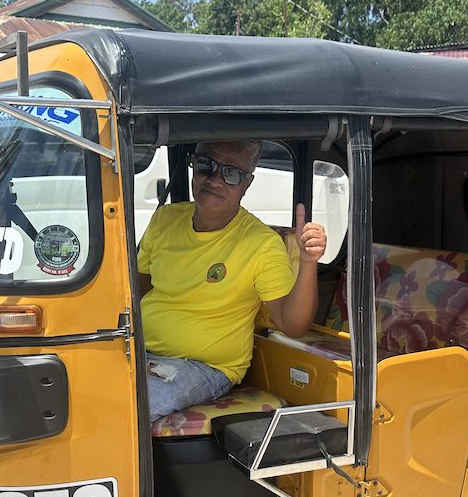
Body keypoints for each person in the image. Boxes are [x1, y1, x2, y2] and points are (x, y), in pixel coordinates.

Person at [137, 140, 326, 422]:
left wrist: (308, 262)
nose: (214, 180)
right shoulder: (165, 219)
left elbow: (293, 324)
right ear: (193, 165)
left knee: (130, 405)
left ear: (247, 183)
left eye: (231, 173)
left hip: (204, 367)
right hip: (140, 350)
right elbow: (135, 290)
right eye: (206, 166)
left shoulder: (261, 244)